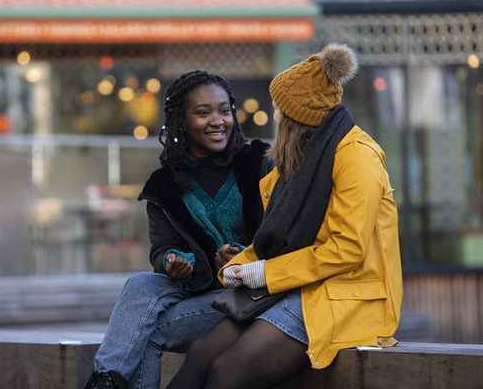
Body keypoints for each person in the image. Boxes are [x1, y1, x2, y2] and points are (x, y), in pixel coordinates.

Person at [165, 44, 403, 389]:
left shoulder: (357, 157)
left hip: (344, 296)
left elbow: (347, 249)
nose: (274, 117)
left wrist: (264, 272)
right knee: (202, 352)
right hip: (297, 286)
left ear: (296, 117)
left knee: (228, 371)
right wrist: (234, 268)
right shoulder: (303, 158)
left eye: (279, 109)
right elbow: (277, 238)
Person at [84, 70, 273, 389]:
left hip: (247, 294)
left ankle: (107, 377)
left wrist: (243, 255)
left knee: (144, 334)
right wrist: (174, 262)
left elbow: (281, 234)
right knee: (143, 282)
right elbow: (160, 252)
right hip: (195, 290)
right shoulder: (164, 187)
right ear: (181, 122)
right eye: (203, 112)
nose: (218, 120)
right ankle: (106, 380)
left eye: (224, 110)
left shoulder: (259, 163)